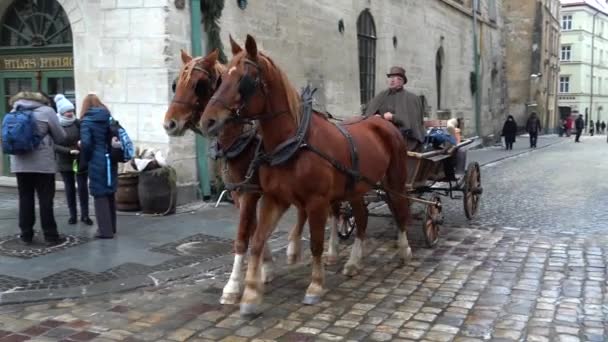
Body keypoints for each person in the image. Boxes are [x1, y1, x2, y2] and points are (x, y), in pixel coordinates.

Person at [7, 91, 66, 246]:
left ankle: (26, 235)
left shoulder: (13, 111)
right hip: (43, 164)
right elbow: (61, 137)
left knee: (25, 198)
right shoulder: (47, 111)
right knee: (46, 200)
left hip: (19, 164)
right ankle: (50, 236)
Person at [79, 94, 121, 239]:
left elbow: (86, 143)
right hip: (111, 158)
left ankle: (105, 231)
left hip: (97, 160)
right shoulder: (108, 117)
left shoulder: (86, 121)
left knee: (99, 195)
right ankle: (112, 227)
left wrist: (86, 157)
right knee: (110, 193)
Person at [364, 66, 426, 150]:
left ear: (402, 82)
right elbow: (369, 111)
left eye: (397, 78)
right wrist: (375, 116)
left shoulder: (411, 98)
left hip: (404, 136)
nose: (392, 80)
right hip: (381, 131)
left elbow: (412, 122)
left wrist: (393, 117)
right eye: (390, 78)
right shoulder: (382, 95)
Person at [54, 94, 93, 226]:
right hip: (64, 161)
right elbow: (53, 145)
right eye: (67, 111)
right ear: (61, 112)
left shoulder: (78, 123)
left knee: (82, 188)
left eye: (71, 111)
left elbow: (85, 136)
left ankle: (85, 215)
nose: (70, 113)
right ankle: (72, 215)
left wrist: (82, 142)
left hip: (79, 159)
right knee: (69, 188)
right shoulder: (56, 124)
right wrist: (68, 151)